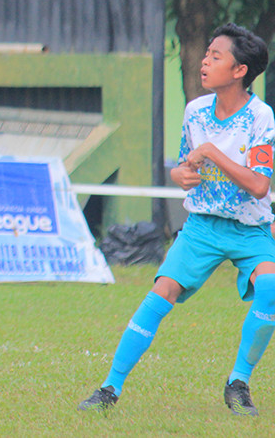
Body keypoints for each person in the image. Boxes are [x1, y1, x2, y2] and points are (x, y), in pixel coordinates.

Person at [78, 23, 275, 416]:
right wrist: (181, 174)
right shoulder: (195, 111)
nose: (204, 61)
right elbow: (185, 168)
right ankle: (108, 389)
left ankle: (238, 382)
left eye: (216, 56)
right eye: (206, 54)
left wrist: (213, 154)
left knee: (270, 289)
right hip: (201, 226)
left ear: (239, 71)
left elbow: (258, 185)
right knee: (160, 293)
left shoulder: (261, 117)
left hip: (250, 229)